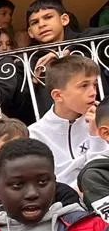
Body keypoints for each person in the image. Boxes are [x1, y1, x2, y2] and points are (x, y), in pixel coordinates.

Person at [28, 54, 108, 189]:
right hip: (63, 199)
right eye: (84, 86)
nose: (93, 92)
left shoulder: (103, 120)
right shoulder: (34, 134)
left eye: (94, 85)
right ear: (58, 95)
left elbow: (103, 171)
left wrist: (96, 136)